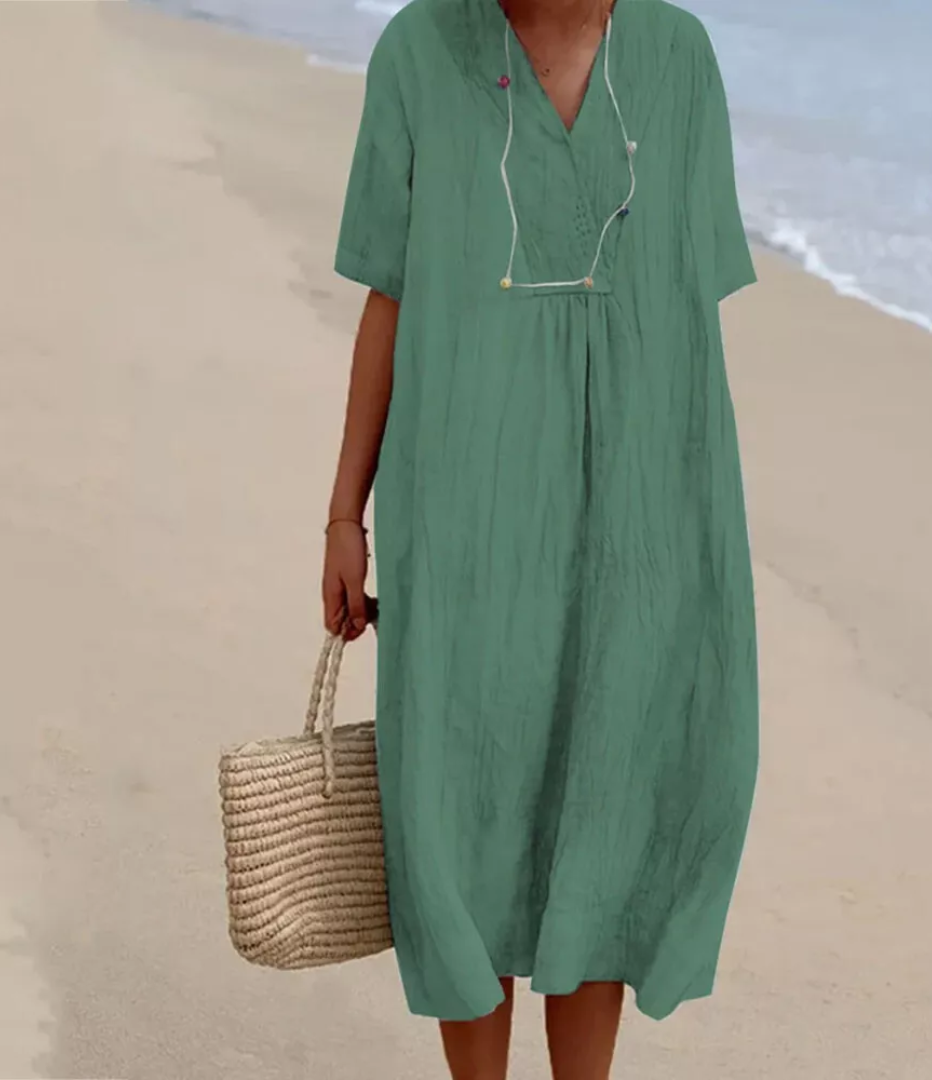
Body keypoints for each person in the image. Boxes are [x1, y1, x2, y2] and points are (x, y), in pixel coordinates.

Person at [322, 0, 759, 1075]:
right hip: (462, 509)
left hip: (638, 516)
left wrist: (692, 535)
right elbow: (391, 293)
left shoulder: (678, 59)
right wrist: (344, 512)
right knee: (462, 798)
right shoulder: (421, 50)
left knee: (612, 788)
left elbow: (683, 321)